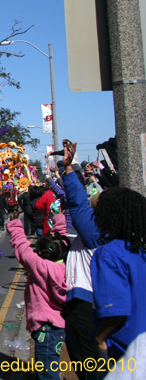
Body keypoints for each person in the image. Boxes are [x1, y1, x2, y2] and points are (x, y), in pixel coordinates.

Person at [7, 210, 70, 380]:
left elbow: (22, 249)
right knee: (51, 365)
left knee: (47, 372)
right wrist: (60, 220)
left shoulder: (40, 267)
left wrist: (15, 227)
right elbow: (63, 240)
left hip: (44, 327)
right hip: (59, 325)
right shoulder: (67, 265)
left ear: (41, 254)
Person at [59, 141, 100, 380]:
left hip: (85, 303)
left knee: (87, 363)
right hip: (107, 303)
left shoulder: (94, 233)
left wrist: (68, 168)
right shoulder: (128, 237)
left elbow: (77, 203)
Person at [90, 185, 146, 361]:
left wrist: (100, 338)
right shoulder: (140, 250)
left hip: (123, 348)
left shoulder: (108, 254)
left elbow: (116, 310)